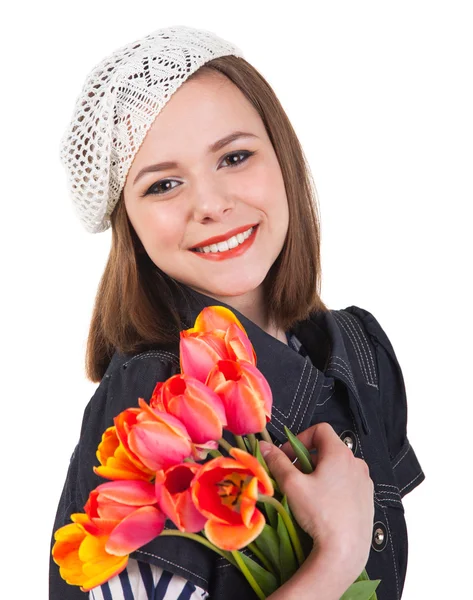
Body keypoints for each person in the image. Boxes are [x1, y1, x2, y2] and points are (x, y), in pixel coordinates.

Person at [50, 25, 425, 600]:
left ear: (283, 158)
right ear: (131, 224)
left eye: (235, 156)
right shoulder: (150, 409)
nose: (211, 204)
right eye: (164, 184)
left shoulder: (359, 353)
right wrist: (336, 557)